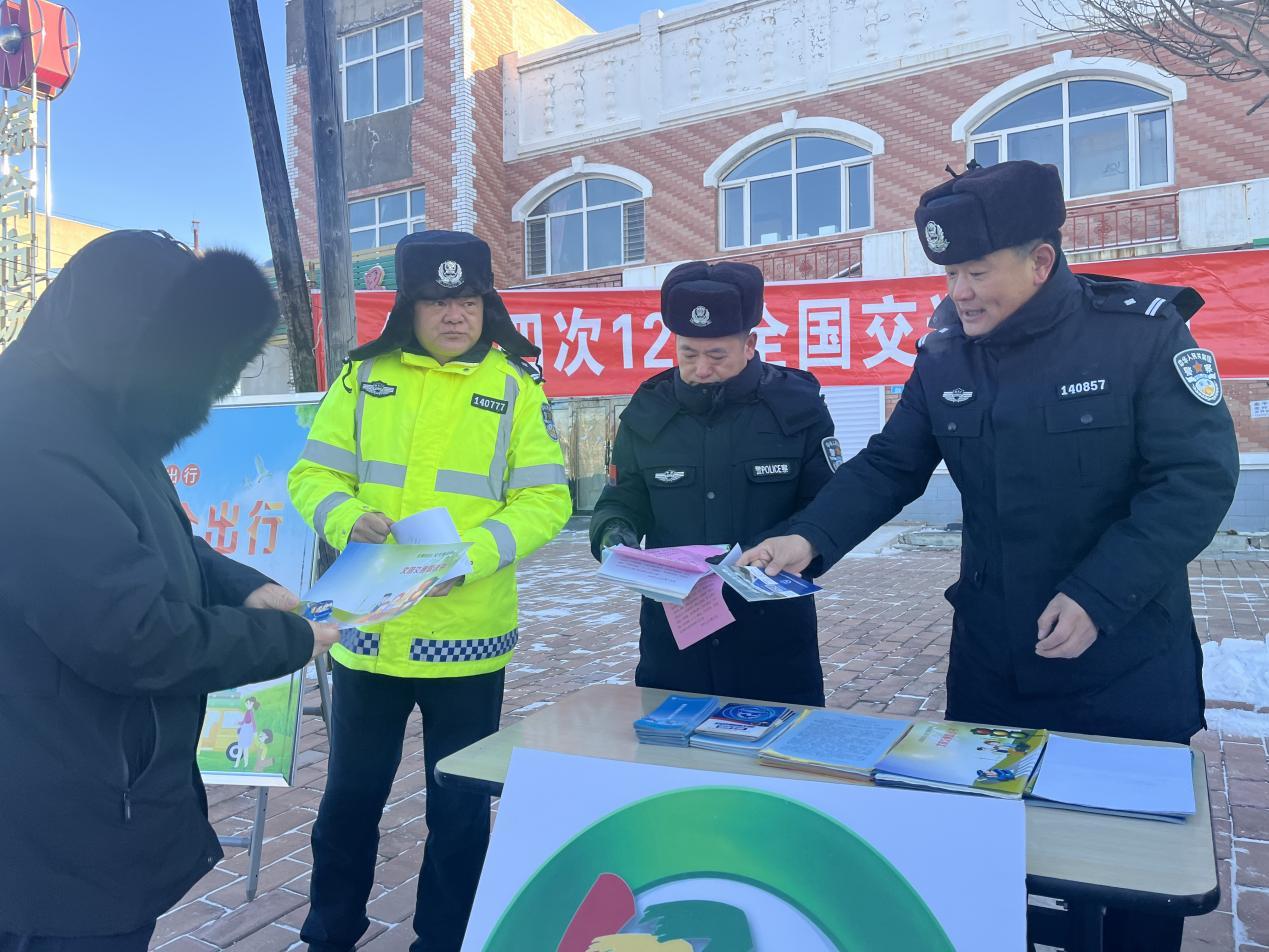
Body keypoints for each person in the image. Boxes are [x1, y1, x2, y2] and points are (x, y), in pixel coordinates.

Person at [741, 159, 1238, 951]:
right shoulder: (946, 352)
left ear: (1039, 260)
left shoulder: (1138, 335)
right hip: (992, 664)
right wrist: (809, 536)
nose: (959, 293)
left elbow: (1193, 481)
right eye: (948, 275)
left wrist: (1099, 593)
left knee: (1132, 890)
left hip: (1121, 663)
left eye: (975, 272)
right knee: (991, 877)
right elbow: (890, 464)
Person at [0, 230, 339, 951]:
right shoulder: (29, 437)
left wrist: (242, 586)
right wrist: (287, 640)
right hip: (56, 831)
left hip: (99, 794)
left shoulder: (101, 414)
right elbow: (131, 636)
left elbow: (161, 541)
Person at [290, 230, 572, 952]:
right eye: (437, 301)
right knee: (349, 799)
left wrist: (466, 559)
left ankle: (444, 940)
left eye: (468, 301)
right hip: (370, 631)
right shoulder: (363, 379)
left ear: (486, 306)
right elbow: (312, 475)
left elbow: (547, 500)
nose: (454, 315)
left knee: (459, 807)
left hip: (466, 635)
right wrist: (347, 518)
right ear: (407, 308)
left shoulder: (515, 386)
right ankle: (329, 935)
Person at [588, 261, 837, 706]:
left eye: (717, 356)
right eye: (688, 354)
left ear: (750, 344)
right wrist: (613, 535)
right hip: (675, 639)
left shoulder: (797, 409)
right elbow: (621, 500)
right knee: (670, 746)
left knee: (779, 746)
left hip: (773, 639)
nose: (701, 368)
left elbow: (827, 507)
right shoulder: (647, 413)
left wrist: (800, 545)